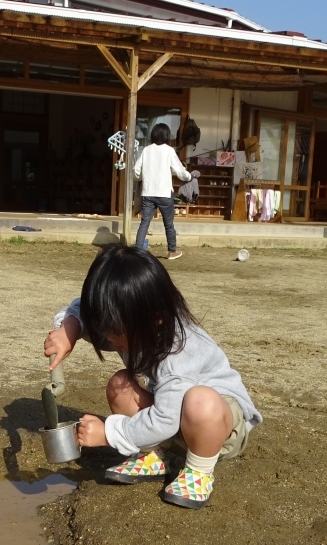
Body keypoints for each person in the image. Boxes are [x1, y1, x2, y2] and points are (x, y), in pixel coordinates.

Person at [43, 244, 262, 509]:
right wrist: (70, 328)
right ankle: (155, 455)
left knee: (199, 401)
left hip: (219, 426)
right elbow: (81, 308)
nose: (107, 337)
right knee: (120, 385)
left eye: (115, 330)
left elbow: (165, 420)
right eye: (103, 325)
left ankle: (198, 472)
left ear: (155, 318)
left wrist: (108, 433)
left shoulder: (180, 351)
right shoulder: (133, 324)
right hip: (173, 412)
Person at [134, 123, 191, 261]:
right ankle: (172, 251)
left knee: (144, 222)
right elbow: (180, 171)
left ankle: (136, 251)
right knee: (168, 223)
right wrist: (189, 177)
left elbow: (136, 171)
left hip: (148, 192)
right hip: (164, 193)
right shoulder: (169, 151)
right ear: (167, 136)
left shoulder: (146, 150)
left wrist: (144, 178)